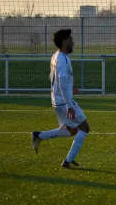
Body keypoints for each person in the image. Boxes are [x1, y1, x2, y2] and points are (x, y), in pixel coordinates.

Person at [31, 29, 90, 168]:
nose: (73, 42)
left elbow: (57, 79)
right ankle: (68, 161)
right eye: (71, 40)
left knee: (72, 130)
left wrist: (70, 88)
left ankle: (39, 135)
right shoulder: (62, 58)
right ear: (64, 41)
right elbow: (62, 81)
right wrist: (70, 105)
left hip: (58, 100)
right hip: (64, 102)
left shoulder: (56, 56)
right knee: (84, 127)